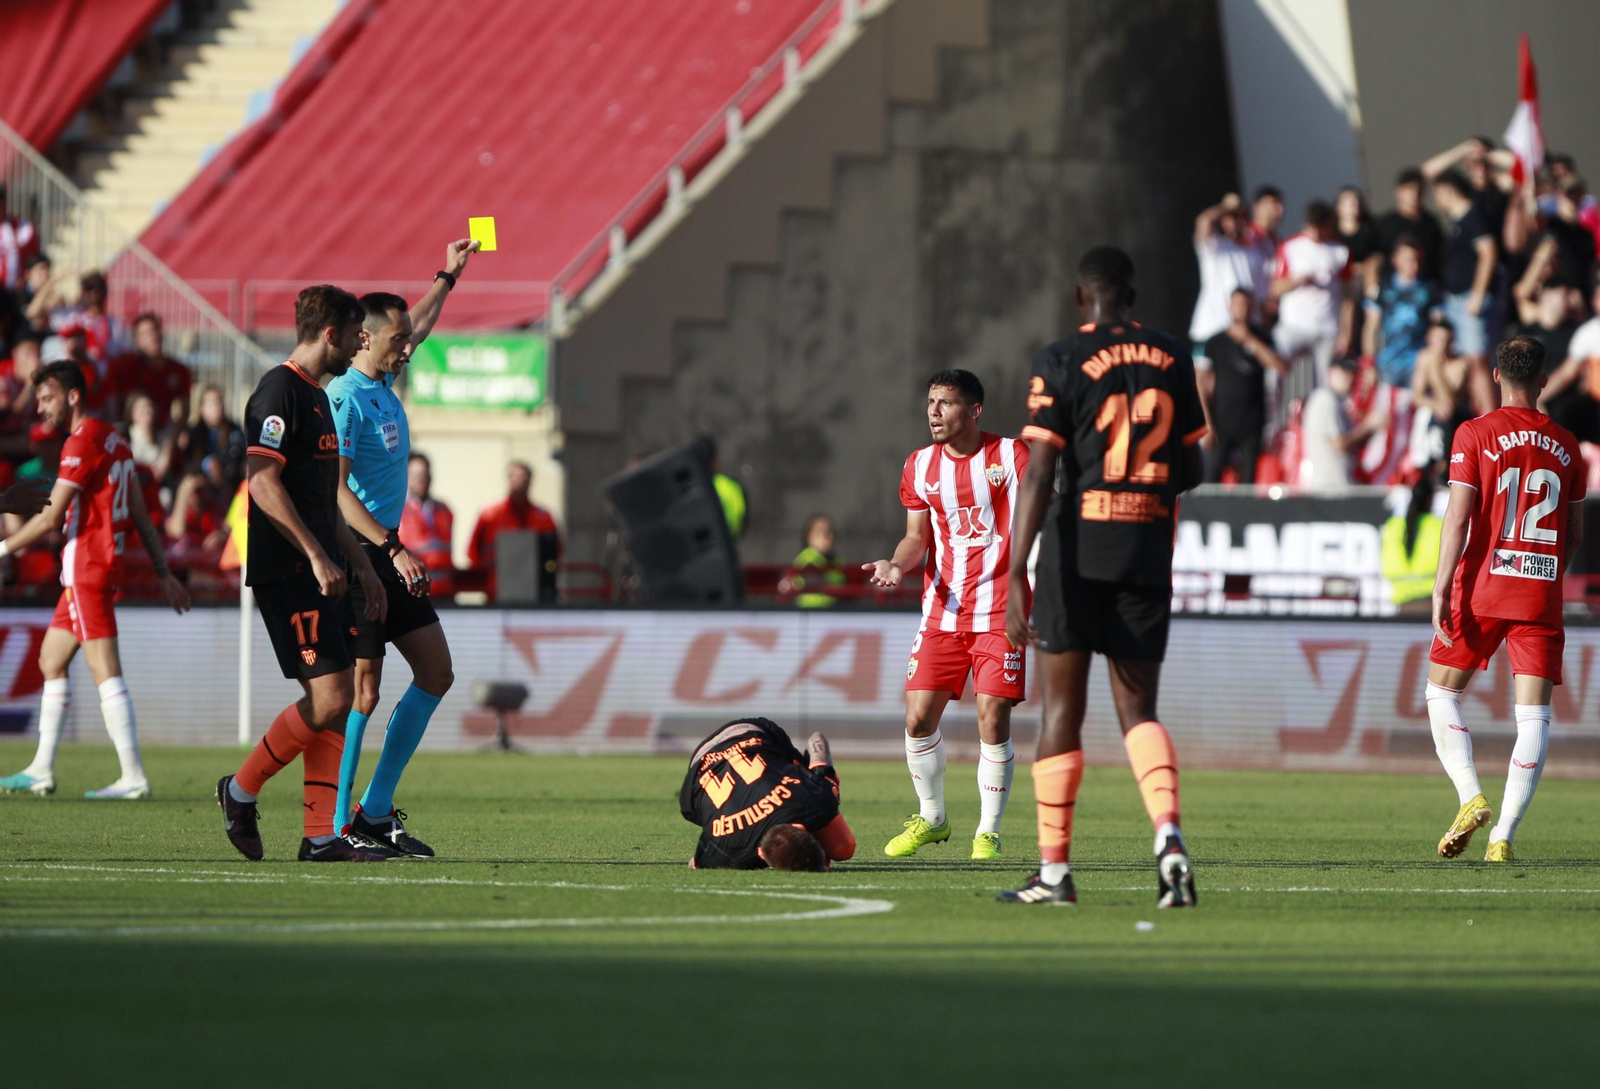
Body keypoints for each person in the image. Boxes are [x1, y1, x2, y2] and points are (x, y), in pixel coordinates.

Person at [1000, 245, 1205, 907]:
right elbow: (1196, 467)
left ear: (1079, 296)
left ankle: (1055, 873)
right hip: (1146, 546)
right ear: (1132, 295)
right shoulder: (1172, 355)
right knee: (1138, 709)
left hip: (1074, 549)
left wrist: (1013, 573)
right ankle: (1168, 835)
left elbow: (1038, 472)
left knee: (1062, 710)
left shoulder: (1060, 358)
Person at [216, 285, 391, 864]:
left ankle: (320, 837)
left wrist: (361, 563)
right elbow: (262, 482)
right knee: (332, 695)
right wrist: (316, 556)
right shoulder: (279, 390)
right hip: (290, 570)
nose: (360, 343)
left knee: (337, 700)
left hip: (325, 570)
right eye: (355, 333)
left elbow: (322, 498)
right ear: (330, 333)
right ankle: (240, 791)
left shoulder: (317, 395)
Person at [327, 239, 477, 855]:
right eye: (395, 341)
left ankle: (374, 809)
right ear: (364, 339)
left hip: (390, 553)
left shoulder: (385, 378)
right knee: (362, 691)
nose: (406, 348)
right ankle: (340, 826)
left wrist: (448, 275)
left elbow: (418, 322)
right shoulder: (344, 400)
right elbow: (334, 492)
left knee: (436, 672)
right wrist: (391, 548)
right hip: (360, 557)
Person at [0, 362, 191, 798]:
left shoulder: (82, 440)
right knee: (51, 660)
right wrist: (163, 574)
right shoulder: (115, 438)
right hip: (89, 572)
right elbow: (140, 514)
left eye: (46, 398)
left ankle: (133, 776)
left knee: (106, 671)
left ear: (71, 396)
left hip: (87, 568)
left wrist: (3, 549)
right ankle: (41, 770)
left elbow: (50, 517)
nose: (39, 407)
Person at [1426, 336, 1584, 863]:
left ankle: (1471, 796)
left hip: (1481, 587)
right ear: (1543, 380)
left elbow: (1459, 516)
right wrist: (1546, 572)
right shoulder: (1568, 444)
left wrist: (1442, 582)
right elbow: (1575, 531)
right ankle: (1503, 840)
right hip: (1539, 593)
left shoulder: (1474, 434)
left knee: (1441, 694)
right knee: (1533, 719)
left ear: (1495, 376)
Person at [863, 369, 1027, 861]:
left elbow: (1043, 508)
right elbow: (917, 538)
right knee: (916, 720)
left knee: (992, 718)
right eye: (931, 401)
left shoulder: (1010, 456)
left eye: (947, 403)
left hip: (1000, 611)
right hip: (943, 611)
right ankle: (932, 817)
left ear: (974, 410)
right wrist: (896, 563)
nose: (934, 411)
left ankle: (988, 832)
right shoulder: (919, 466)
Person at [680, 719, 855, 870]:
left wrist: (827, 794)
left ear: (761, 852)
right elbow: (697, 861)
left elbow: (817, 740)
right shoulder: (724, 851)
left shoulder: (814, 799)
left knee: (842, 846)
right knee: (842, 847)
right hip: (696, 773)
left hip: (746, 733)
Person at [1203, 287, 1285, 484]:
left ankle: (1244, 516)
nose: (1242, 309)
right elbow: (1202, 383)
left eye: (1247, 305)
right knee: (1212, 477)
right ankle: (1207, 516)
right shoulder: (1215, 342)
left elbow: (1278, 365)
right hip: (1221, 423)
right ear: (1230, 307)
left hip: (1252, 424)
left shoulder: (1262, 337)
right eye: (1238, 304)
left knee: (1249, 482)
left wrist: (1249, 340)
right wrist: (1206, 421)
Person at [1433, 170, 1499, 414]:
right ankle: (1480, 410)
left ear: (1446, 190)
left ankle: (1490, 415)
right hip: (1455, 301)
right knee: (1469, 362)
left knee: (1478, 359)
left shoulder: (1474, 217)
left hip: (1470, 299)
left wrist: (1477, 295)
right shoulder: (1458, 223)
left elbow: (1488, 252)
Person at [1272, 200, 1354, 394]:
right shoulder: (1290, 247)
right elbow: (1275, 288)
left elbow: (1348, 296)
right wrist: (1296, 281)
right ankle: (1273, 421)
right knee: (1273, 366)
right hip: (1294, 325)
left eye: (1321, 227)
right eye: (1313, 226)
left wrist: (1346, 332)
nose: (1317, 232)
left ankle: (1318, 422)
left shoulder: (1340, 251)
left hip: (1327, 328)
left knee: (1326, 386)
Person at [467, 460, 561, 602]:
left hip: (535, 592)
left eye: (523, 477)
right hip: (496, 592)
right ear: (508, 479)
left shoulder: (544, 518)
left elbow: (556, 551)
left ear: (530, 481)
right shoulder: (490, 515)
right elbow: (473, 552)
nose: (519, 482)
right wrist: (485, 584)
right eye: (514, 476)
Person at [109, 313, 192, 428]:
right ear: (136, 341)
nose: (153, 336)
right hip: (134, 432)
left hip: (166, 432)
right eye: (146, 333)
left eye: (155, 330)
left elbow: (184, 410)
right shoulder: (127, 368)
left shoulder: (179, 370)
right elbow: (116, 405)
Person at [1381, 471, 1443, 614]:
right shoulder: (1438, 525)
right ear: (1431, 500)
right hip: (1433, 605)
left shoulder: (1393, 526)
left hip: (1403, 607)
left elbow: (1388, 565)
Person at [1373, 168, 1445, 286]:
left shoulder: (1431, 222)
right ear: (1398, 192)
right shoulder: (1385, 224)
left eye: (1419, 190)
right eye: (1409, 189)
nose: (1414, 194)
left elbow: (1441, 255)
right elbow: (1374, 259)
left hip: (1429, 288)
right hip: (1394, 292)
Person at [400, 451, 456, 596]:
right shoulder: (398, 510)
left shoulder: (444, 510)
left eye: (424, 475)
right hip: (413, 590)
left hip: (444, 590)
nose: (421, 480)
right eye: (415, 475)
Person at [179, 386, 247, 495]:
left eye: (220, 402)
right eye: (212, 403)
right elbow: (188, 464)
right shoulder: (193, 434)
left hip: (231, 489)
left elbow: (240, 459)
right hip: (202, 490)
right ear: (202, 408)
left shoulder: (234, 431)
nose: (217, 407)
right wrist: (207, 464)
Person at [786, 513, 846, 608]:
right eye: (820, 531)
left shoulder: (837, 560)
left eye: (829, 531)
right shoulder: (806, 559)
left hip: (834, 613)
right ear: (809, 536)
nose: (826, 535)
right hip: (811, 613)